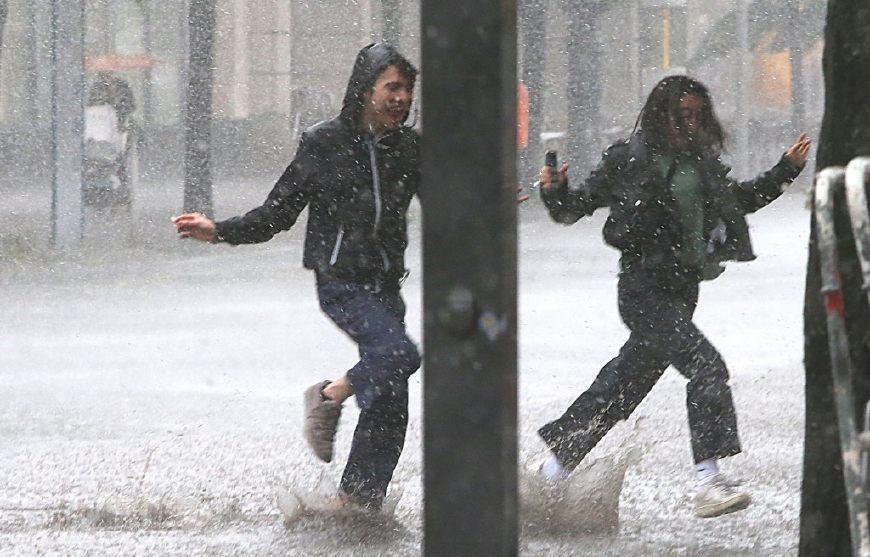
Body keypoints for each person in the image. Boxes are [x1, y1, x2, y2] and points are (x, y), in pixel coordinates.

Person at [535, 75, 812, 518]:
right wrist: (555, 193)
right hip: (642, 291)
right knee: (706, 366)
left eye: (698, 115)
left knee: (624, 386)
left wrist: (785, 171)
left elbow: (740, 200)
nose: (691, 123)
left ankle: (549, 472)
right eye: (682, 114)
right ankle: (707, 480)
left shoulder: (701, 164)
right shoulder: (628, 160)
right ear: (660, 115)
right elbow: (576, 206)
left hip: (682, 292)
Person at [173, 43, 421, 511]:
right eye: (392, 87)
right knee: (399, 353)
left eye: (407, 89)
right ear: (365, 90)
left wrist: (487, 202)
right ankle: (328, 396)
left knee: (391, 397)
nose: (401, 98)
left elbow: (447, 199)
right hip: (341, 282)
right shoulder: (323, 143)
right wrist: (219, 231)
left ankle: (359, 501)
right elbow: (277, 213)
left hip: (387, 285)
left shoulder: (408, 147)